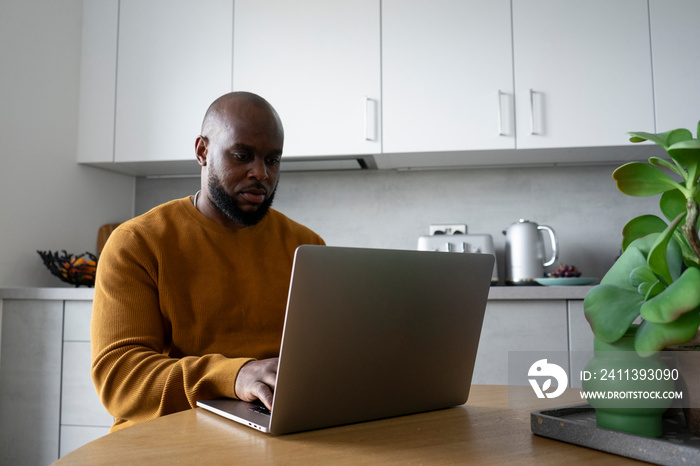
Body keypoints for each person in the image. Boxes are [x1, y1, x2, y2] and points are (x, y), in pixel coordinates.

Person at [91, 91, 325, 432]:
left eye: (272, 160)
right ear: (202, 151)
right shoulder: (137, 243)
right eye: (242, 155)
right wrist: (234, 376)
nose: (261, 173)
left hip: (276, 428)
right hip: (166, 432)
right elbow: (120, 380)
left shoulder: (306, 246)